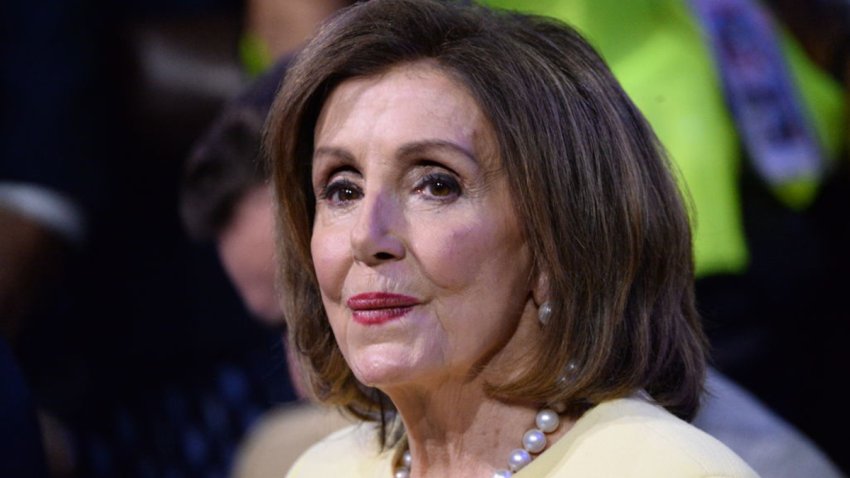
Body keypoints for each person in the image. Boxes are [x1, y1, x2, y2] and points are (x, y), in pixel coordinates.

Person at [264, 0, 758, 476]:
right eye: (343, 190)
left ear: (558, 243)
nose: (367, 237)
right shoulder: (322, 469)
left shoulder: (672, 471)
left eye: (437, 185)